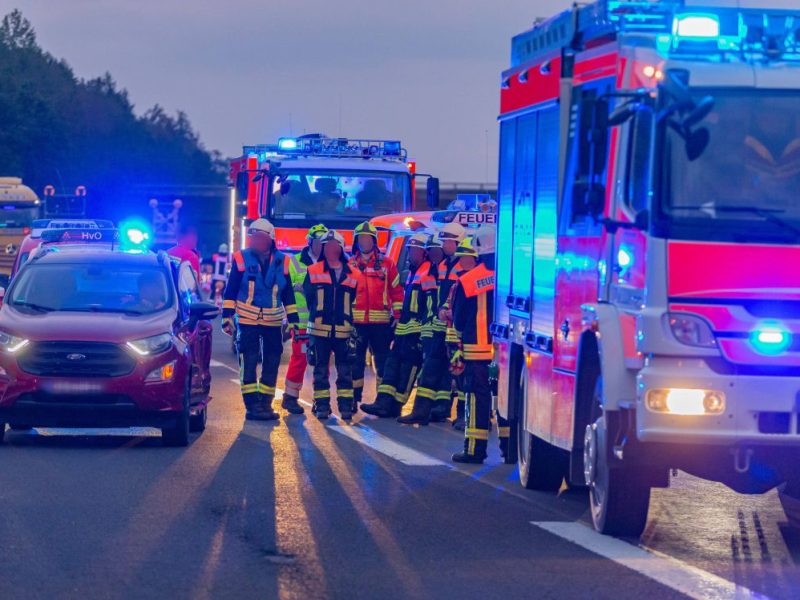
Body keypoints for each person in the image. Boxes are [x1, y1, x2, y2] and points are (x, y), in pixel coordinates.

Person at [221, 218, 298, 421]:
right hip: (247, 320)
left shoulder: (283, 261)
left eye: (259, 238)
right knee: (249, 360)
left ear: (269, 239)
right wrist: (227, 317)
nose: (254, 241)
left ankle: (265, 402)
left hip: (273, 322)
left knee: (272, 362)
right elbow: (231, 291)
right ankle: (252, 406)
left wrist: (294, 321)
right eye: (252, 237)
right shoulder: (241, 258)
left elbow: (288, 294)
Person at [360, 232, 429, 418]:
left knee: (407, 369)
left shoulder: (427, 271)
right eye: (410, 250)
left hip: (417, 331)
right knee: (391, 365)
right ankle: (383, 403)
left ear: (425, 252)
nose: (412, 254)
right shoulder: (414, 271)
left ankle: (396, 406)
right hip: (404, 328)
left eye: (415, 250)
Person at [447, 237, 496, 464]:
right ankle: (509, 449)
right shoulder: (505, 277)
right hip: (500, 349)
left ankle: (474, 449)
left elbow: (457, 320)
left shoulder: (467, 281)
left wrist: (457, 342)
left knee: (476, 397)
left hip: (475, 349)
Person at [349, 221, 404, 412]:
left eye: (367, 238)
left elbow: (397, 291)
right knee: (354, 362)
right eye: (361, 239)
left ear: (374, 241)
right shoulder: (349, 265)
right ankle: (352, 400)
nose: (364, 242)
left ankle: (383, 400)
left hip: (381, 323)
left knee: (383, 362)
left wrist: (397, 315)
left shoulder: (387, 264)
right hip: (355, 323)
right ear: (356, 241)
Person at [304, 229, 358, 421]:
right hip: (319, 330)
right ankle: (322, 407)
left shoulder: (354, 274)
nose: (329, 249)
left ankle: (345, 408)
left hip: (344, 331)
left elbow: (355, 299)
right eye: (326, 246)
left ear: (341, 248)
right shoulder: (313, 270)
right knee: (320, 369)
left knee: (345, 371)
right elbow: (309, 297)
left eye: (334, 246)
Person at [397, 232, 445, 425]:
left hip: (443, 329)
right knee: (432, 370)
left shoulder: (441, 271)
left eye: (436, 250)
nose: (433, 253)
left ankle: (437, 409)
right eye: (430, 250)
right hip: (431, 328)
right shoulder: (430, 271)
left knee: (443, 372)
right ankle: (428, 410)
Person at [281, 224, 328, 415]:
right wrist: (287, 319)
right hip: (301, 323)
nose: (322, 246)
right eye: (319, 242)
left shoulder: (330, 263)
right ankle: (290, 397)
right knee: (300, 358)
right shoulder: (294, 263)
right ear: (310, 242)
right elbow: (286, 292)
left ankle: (321, 400)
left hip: (324, 322)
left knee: (322, 361)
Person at [426, 222, 468, 429]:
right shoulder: (444, 265)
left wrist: (453, 311)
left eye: (447, 241)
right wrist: (441, 310)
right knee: (447, 371)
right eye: (442, 241)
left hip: (460, 328)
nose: (443, 245)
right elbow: (444, 295)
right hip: (445, 326)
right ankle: (441, 408)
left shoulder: (464, 264)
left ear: (458, 242)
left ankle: (463, 414)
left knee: (461, 374)